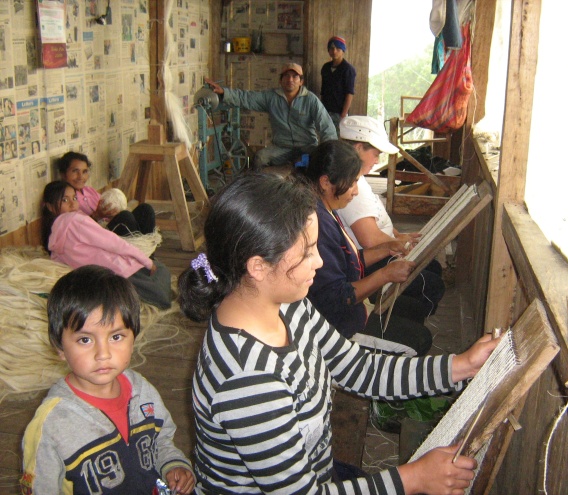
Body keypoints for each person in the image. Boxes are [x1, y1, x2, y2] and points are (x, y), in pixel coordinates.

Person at [177, 172, 499, 494]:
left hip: (320, 473)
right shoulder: (247, 379)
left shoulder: (287, 306)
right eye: (307, 252)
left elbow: (359, 368)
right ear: (258, 266)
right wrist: (413, 479)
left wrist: (462, 366)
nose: (319, 262)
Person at [21, 265, 195, 494]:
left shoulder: (142, 391)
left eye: (116, 336)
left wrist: (173, 465)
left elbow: (161, 442)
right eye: (85, 340)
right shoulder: (51, 424)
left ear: (134, 337)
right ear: (59, 346)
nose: (103, 354)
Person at [299, 140, 434, 356]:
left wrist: (388, 248)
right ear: (325, 182)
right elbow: (339, 298)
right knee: (419, 339)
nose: (354, 192)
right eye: (351, 183)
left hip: (350, 309)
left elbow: (347, 261)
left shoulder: (327, 209)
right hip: (336, 327)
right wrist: (385, 274)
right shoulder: (318, 225)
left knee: (414, 309)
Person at [337, 115, 445, 316]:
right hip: (370, 259)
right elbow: (370, 239)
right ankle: (397, 323)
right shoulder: (352, 185)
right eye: (376, 153)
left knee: (433, 269)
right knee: (431, 284)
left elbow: (378, 219)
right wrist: (399, 244)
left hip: (382, 248)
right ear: (358, 149)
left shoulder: (359, 180)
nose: (378, 160)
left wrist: (398, 236)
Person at [40, 180, 172, 309]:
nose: (73, 204)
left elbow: (59, 262)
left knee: (155, 276)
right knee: (162, 277)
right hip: (119, 271)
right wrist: (147, 262)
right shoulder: (75, 220)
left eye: (74, 198)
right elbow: (114, 243)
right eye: (65, 200)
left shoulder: (53, 235)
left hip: (104, 278)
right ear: (50, 207)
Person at [204, 63, 337, 169]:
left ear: (301, 81)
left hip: (307, 147)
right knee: (260, 158)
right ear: (280, 80)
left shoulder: (311, 100)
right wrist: (224, 93)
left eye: (294, 76)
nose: (290, 79)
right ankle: (261, 194)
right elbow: (246, 98)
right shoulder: (271, 97)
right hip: (282, 147)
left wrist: (329, 153)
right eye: (286, 76)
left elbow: (326, 127)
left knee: (319, 165)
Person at [57, 151, 156, 237]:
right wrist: (97, 216)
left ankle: (148, 254)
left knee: (145, 209)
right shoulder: (66, 198)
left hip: (111, 228)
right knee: (125, 217)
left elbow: (108, 207)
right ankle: (136, 254)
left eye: (84, 172)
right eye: (75, 171)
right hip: (98, 236)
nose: (80, 177)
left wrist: (114, 211)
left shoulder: (89, 191)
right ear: (63, 174)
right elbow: (78, 227)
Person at [320, 36, 356, 135]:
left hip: (339, 112)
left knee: (338, 138)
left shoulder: (348, 69)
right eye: (331, 48)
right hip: (326, 111)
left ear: (343, 51)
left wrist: (343, 114)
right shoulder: (325, 68)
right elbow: (323, 90)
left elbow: (350, 93)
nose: (334, 51)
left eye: (338, 49)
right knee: (326, 136)